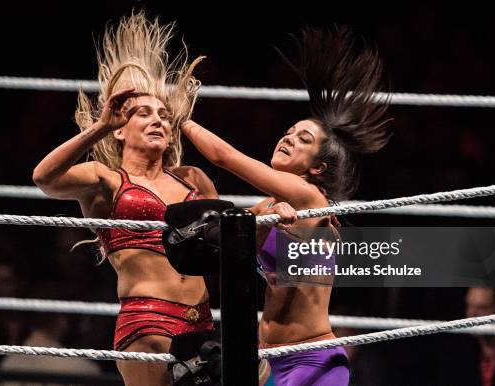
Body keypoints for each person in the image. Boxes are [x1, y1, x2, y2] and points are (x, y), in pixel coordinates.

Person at [181, 26, 391, 385]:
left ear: (317, 167)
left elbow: (224, 156)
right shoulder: (269, 205)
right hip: (269, 358)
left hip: (313, 359)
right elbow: (230, 244)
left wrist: (179, 117)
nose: (288, 138)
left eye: (303, 139)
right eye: (289, 132)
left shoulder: (311, 199)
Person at [33, 11, 218, 386]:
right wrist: (101, 126)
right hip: (146, 320)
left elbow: (236, 237)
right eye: (143, 113)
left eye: (164, 115)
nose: (158, 121)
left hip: (201, 318)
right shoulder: (106, 180)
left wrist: (274, 210)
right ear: (121, 129)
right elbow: (44, 178)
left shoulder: (193, 179)